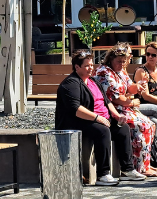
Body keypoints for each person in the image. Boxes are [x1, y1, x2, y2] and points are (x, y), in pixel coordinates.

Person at [55, 50, 144, 185]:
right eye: (87, 66)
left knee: (122, 128)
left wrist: (116, 115)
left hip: (98, 118)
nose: (91, 68)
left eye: (91, 65)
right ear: (77, 67)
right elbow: (76, 109)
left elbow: (107, 101)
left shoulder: (93, 81)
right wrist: (97, 118)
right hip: (76, 121)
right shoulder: (71, 84)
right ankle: (103, 174)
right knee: (102, 130)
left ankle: (128, 170)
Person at [94, 44, 157, 177]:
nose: (122, 64)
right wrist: (131, 102)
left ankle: (145, 165)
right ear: (111, 59)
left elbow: (130, 87)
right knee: (142, 125)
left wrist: (139, 86)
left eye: (124, 61)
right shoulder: (104, 72)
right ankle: (137, 167)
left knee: (151, 124)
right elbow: (114, 97)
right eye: (119, 61)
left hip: (125, 107)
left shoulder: (121, 71)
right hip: (114, 109)